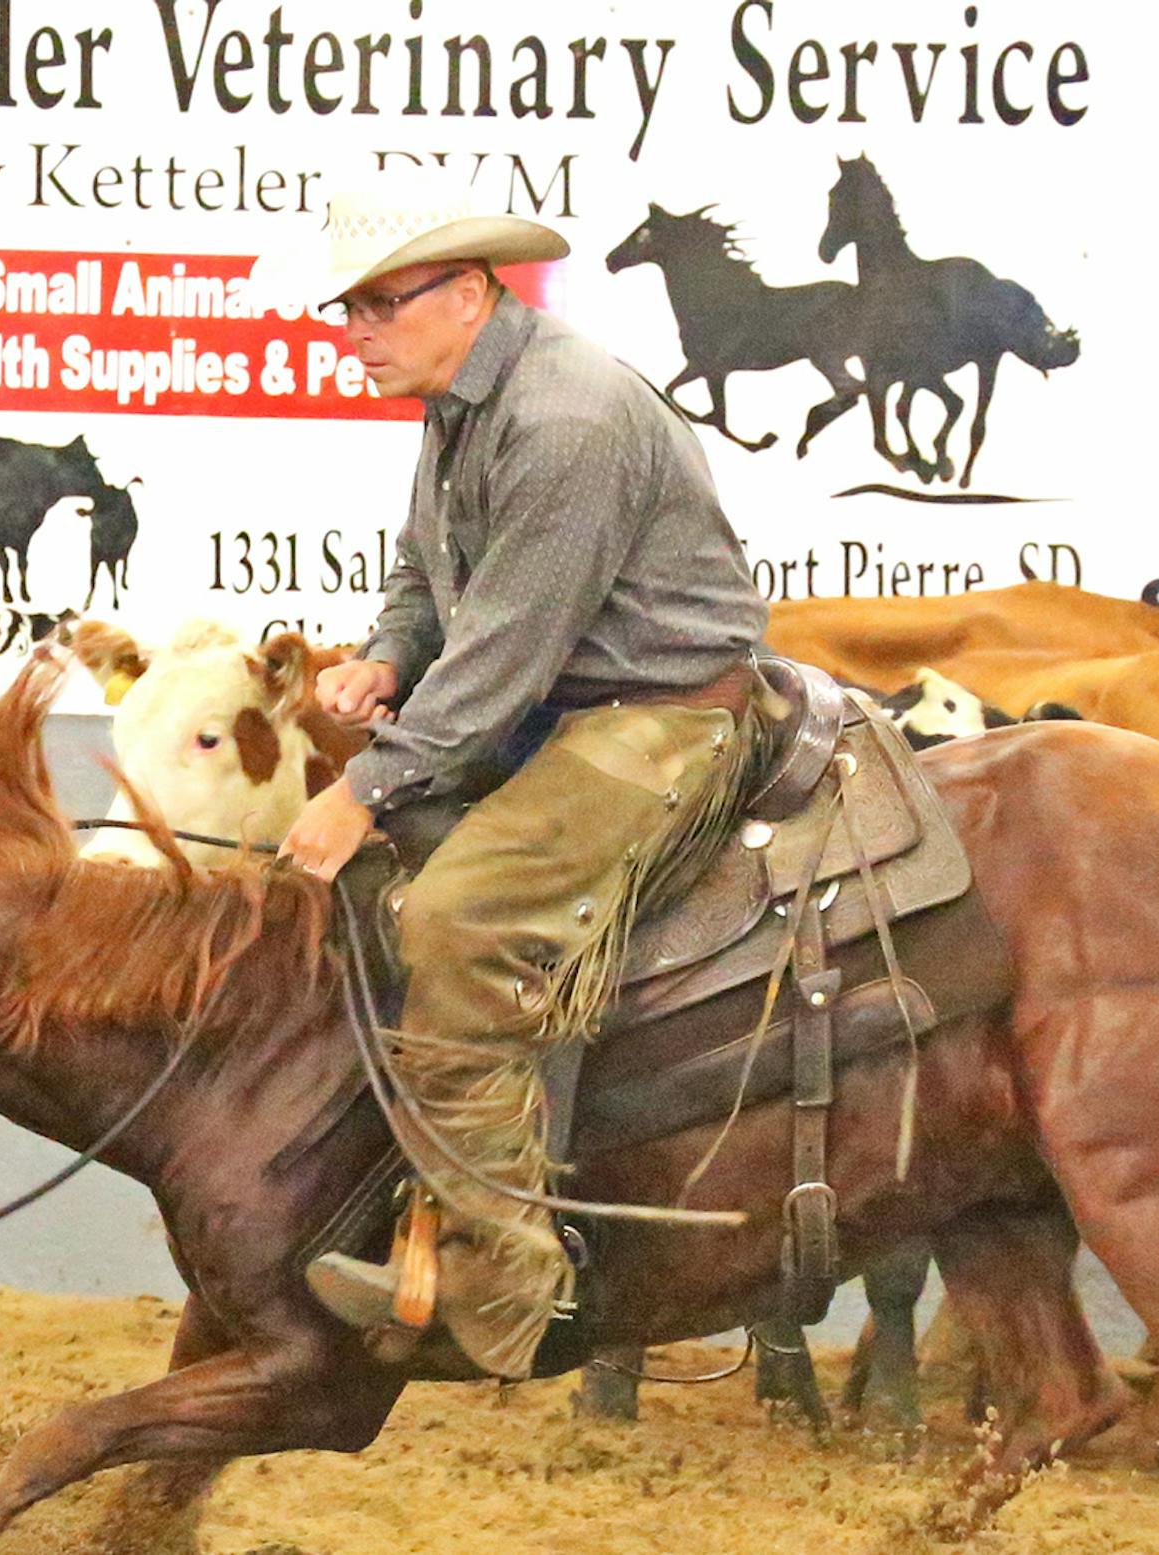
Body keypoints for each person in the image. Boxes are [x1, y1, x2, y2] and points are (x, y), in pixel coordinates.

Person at [267, 175, 771, 1379]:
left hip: (660, 718)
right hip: (564, 709)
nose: (359, 332)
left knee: (456, 916)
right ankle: (423, 1195)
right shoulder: (463, 402)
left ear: (470, 292)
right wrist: (387, 659)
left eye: (383, 304)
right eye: (350, 309)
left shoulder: (564, 421)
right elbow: (430, 578)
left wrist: (362, 787)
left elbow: (506, 649)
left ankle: (506, 1280)